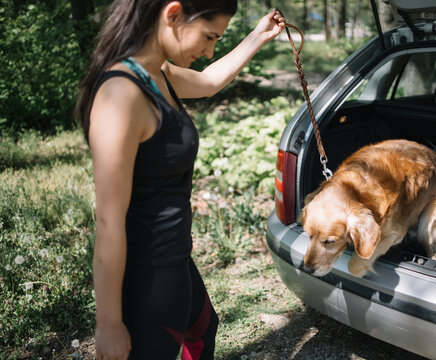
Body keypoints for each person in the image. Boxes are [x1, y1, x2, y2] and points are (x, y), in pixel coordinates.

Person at [75, 1, 285, 359]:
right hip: (149, 275)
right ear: (172, 14)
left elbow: (207, 82)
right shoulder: (121, 95)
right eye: (208, 36)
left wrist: (258, 37)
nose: (209, 50)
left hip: (176, 258)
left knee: (204, 331)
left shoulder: (158, 74)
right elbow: (109, 222)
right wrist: (109, 324)